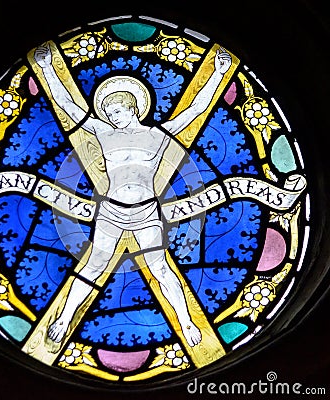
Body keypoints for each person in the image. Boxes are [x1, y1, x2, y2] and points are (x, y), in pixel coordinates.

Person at [34, 43, 232, 347]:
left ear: (133, 108)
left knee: (161, 269)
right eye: (108, 112)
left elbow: (196, 110)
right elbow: (68, 106)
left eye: (117, 111)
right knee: (92, 267)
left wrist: (219, 74)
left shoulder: (158, 135)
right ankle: (63, 317)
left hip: (147, 212)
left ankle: (187, 321)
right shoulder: (103, 133)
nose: (113, 117)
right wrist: (47, 68)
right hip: (111, 211)